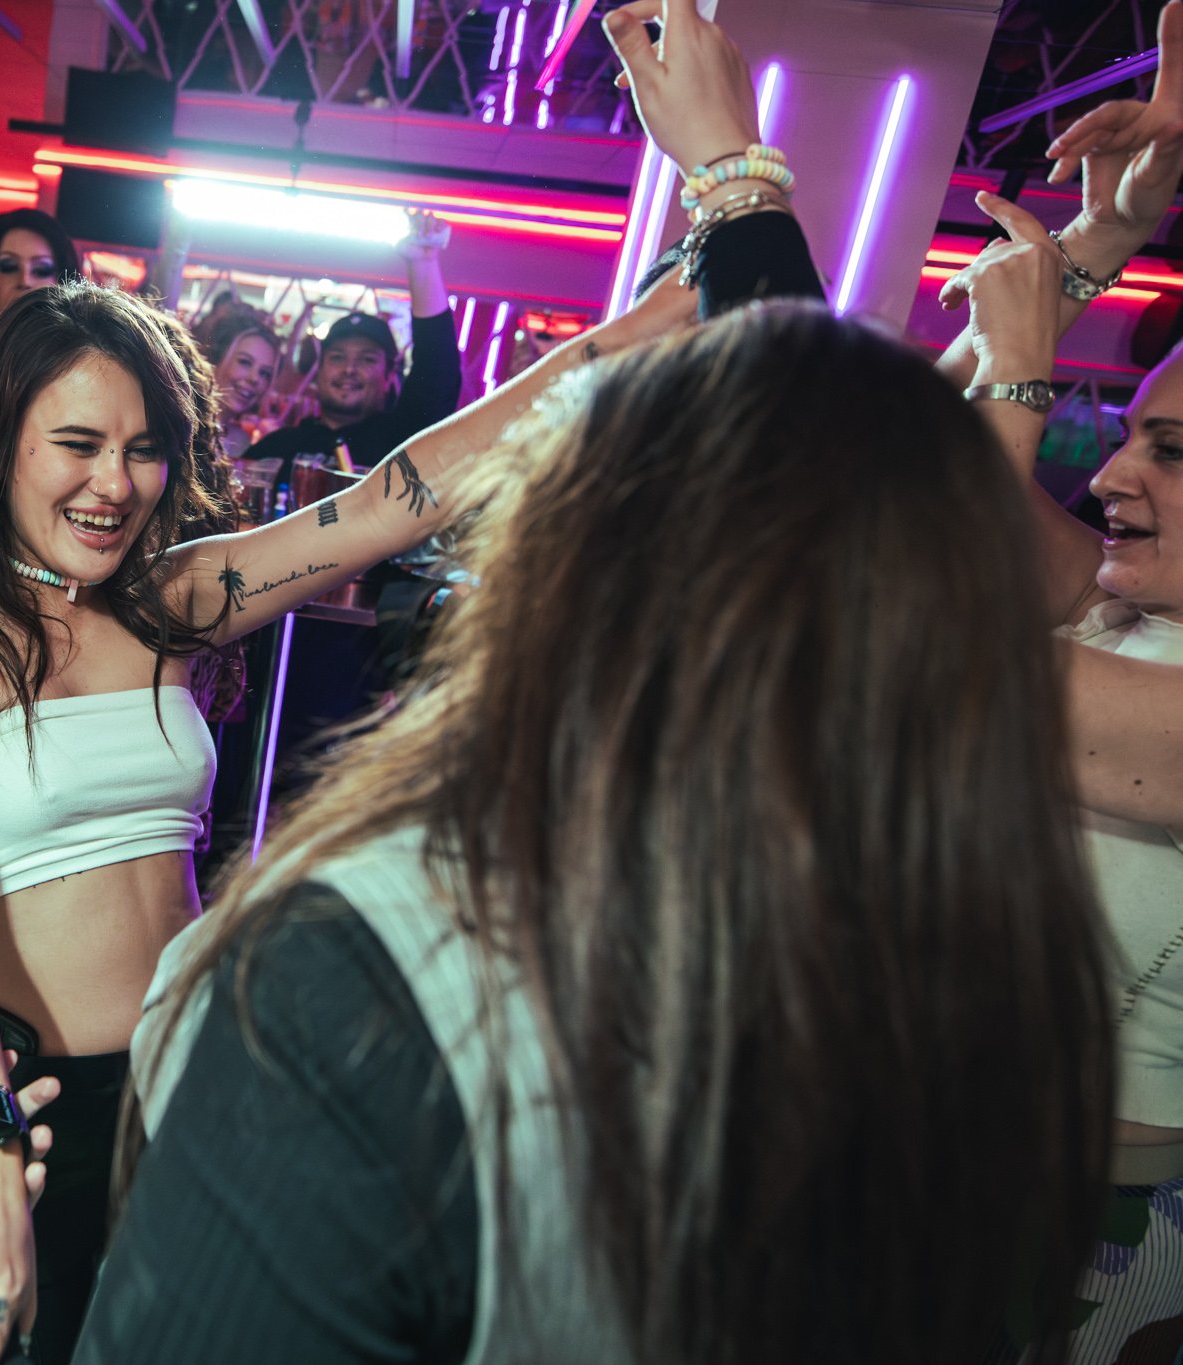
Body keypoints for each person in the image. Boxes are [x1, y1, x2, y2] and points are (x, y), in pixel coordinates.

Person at [77, 8, 1119, 1361]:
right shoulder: (984, 981)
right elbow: (852, 498)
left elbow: (797, 485)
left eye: (144, 447)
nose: (115, 481)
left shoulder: (369, 979)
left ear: (571, 555)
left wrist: (729, 197)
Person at [0, 228, 702, 1362]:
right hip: (8, 1086)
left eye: (144, 449)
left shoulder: (169, 596)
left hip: (184, 1082)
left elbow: (391, 499)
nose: (114, 484)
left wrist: (655, 320)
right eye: (75, 444)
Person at [936, 9, 1183, 1353]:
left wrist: (1029, 372)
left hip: (1095, 1226)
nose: (1111, 474)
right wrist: (1103, 239)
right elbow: (893, 482)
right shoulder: (1116, 598)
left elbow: (927, 621)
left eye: (1174, 452)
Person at [238, 208, 460, 483]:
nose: (349, 369)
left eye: (367, 359)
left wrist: (423, 264)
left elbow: (438, 368)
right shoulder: (277, 448)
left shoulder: (403, 442)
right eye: (337, 357)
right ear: (319, 371)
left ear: (389, 374)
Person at [0, 208, 84, 389]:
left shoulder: (83, 367)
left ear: (63, 284)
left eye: (41, 270)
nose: (25, 281)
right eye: (9, 267)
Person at [202, 311, 280, 458]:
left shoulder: (241, 442)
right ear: (216, 361)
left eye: (264, 373)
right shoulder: (183, 427)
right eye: (244, 362)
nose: (255, 379)